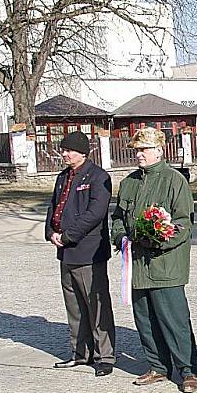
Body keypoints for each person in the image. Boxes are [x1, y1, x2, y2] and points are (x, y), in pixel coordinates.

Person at [110, 127, 197, 392]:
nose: (139, 154)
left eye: (144, 149)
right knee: (145, 320)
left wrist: (158, 240)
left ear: (159, 151)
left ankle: (188, 370)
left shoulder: (174, 181)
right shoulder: (129, 182)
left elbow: (184, 223)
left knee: (174, 320)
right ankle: (158, 366)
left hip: (165, 265)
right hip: (137, 264)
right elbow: (118, 218)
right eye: (136, 150)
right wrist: (120, 238)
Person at [45, 130, 116, 376]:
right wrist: (51, 232)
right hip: (65, 253)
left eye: (69, 150)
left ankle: (104, 356)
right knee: (74, 306)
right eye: (63, 149)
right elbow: (54, 206)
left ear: (83, 152)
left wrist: (68, 235)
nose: (64, 154)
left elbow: (94, 213)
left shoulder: (98, 177)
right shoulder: (63, 177)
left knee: (96, 306)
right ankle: (80, 353)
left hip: (88, 252)